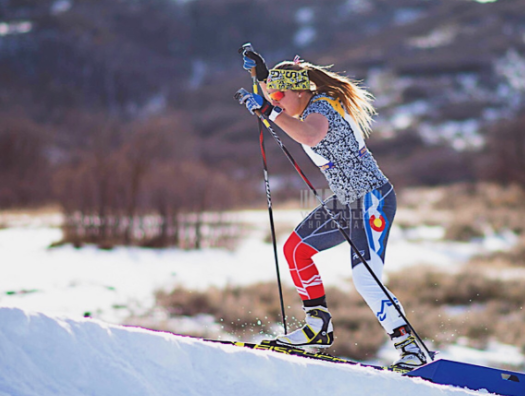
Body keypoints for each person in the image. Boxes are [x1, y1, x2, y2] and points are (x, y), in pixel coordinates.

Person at [237, 47, 427, 371]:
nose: (277, 98)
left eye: (281, 94)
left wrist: (270, 110)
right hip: (345, 201)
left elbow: (309, 135)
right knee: (296, 249)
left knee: (365, 278)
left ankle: (409, 346)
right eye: (274, 94)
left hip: (371, 199)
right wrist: (263, 75)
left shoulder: (321, 109)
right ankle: (317, 326)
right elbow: (280, 97)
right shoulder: (300, 102)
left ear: (300, 91)